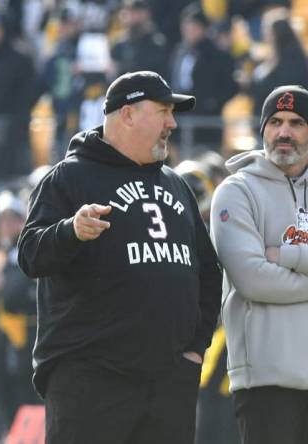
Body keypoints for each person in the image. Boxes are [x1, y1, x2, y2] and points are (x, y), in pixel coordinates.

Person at [17, 70, 223, 444]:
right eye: (163, 111)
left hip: (168, 381)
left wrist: (194, 349)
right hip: (91, 380)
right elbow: (30, 255)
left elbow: (208, 273)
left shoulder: (176, 184)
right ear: (127, 114)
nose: (172, 123)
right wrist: (71, 231)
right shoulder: (69, 177)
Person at [210, 85, 308, 444]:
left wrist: (289, 256)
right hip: (265, 378)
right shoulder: (236, 192)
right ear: (263, 129)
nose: (283, 132)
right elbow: (253, 280)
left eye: (295, 122)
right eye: (274, 122)